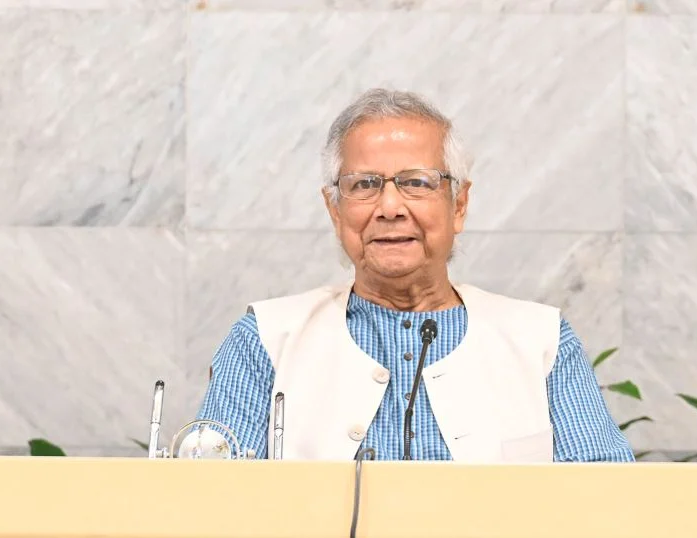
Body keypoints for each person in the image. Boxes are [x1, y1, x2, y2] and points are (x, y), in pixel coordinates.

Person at [194, 88, 634, 463]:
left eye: (417, 183)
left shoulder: (541, 340)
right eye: (364, 184)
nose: (390, 207)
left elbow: (607, 500)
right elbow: (208, 501)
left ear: (458, 205)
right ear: (335, 210)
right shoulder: (265, 339)